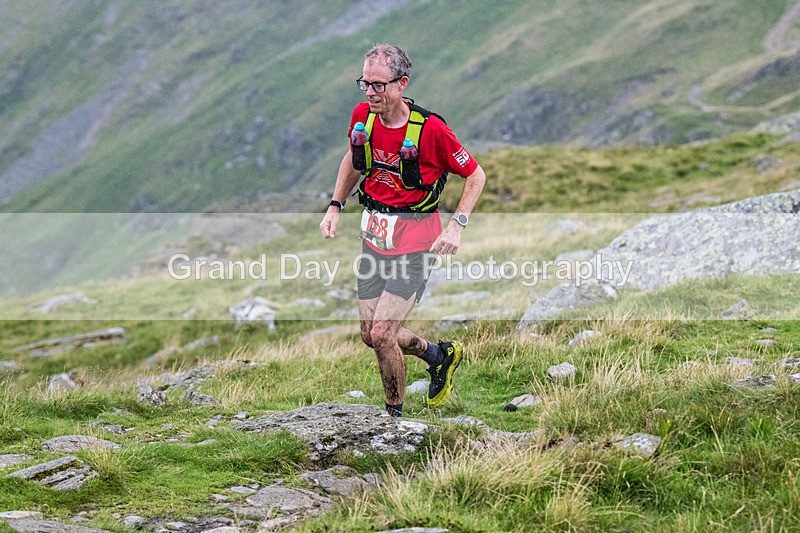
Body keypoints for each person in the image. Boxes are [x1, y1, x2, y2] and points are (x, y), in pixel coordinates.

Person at [319, 44, 485, 417]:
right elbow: (353, 158)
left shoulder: (431, 131)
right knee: (370, 334)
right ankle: (439, 356)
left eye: (378, 85)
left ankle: (394, 421)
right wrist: (335, 205)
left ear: (401, 83)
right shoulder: (364, 117)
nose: (369, 92)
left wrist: (457, 225)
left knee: (382, 335)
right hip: (375, 238)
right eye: (365, 83)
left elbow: (475, 175)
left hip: (416, 243)